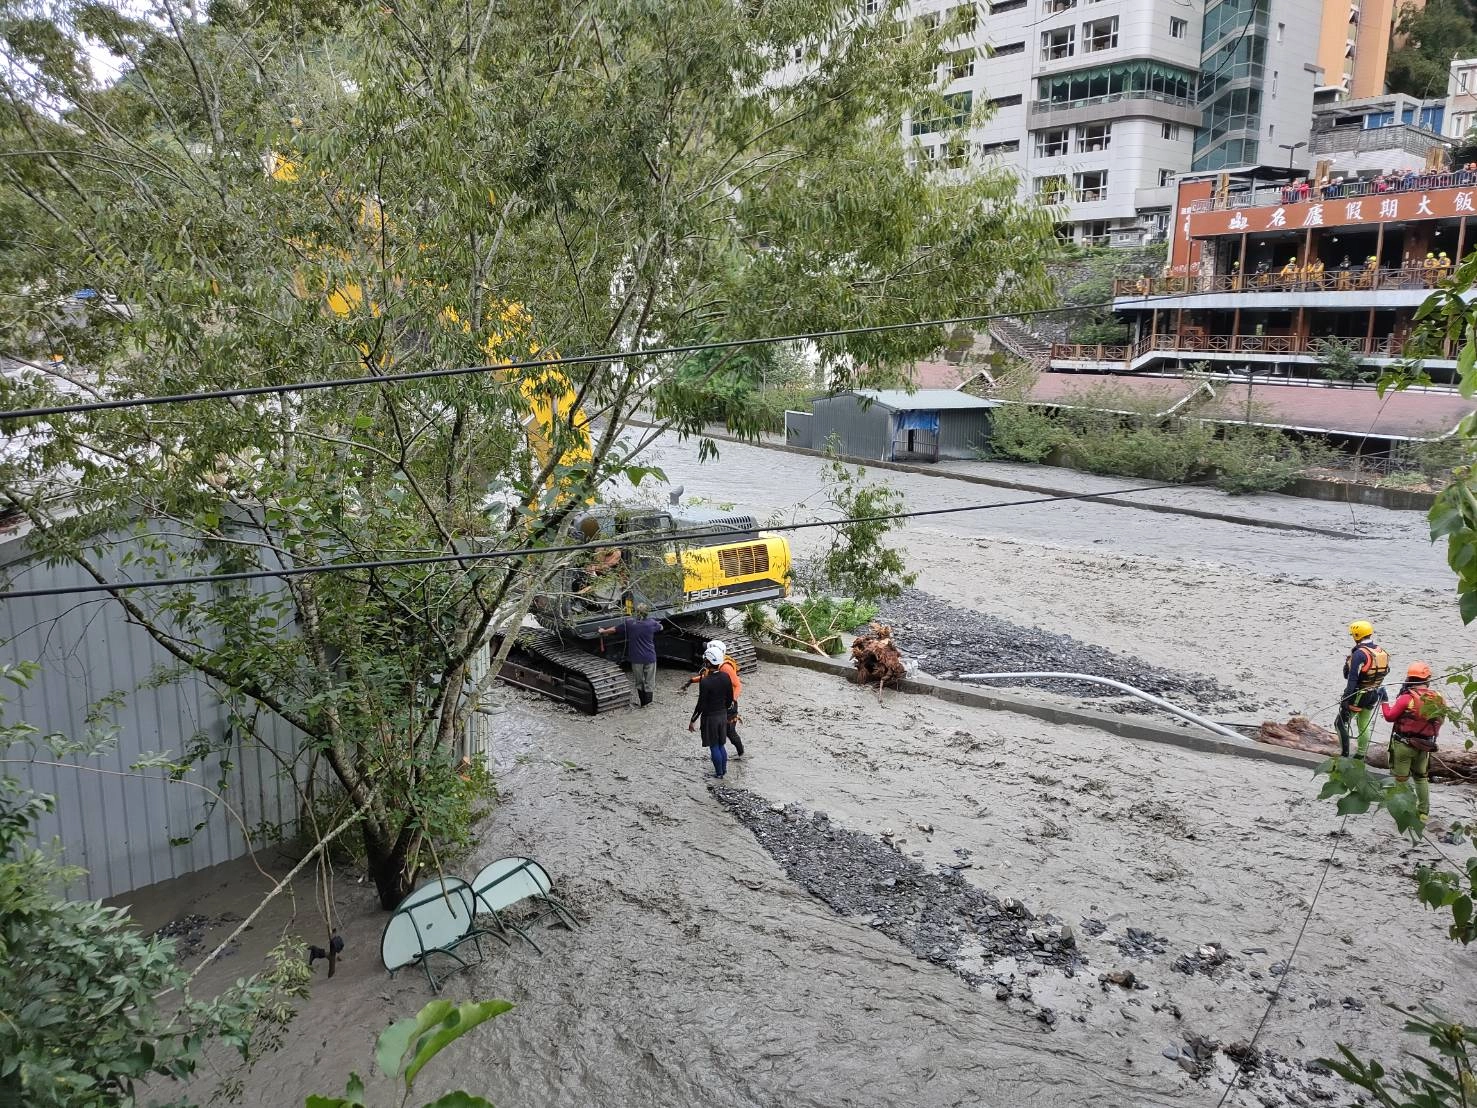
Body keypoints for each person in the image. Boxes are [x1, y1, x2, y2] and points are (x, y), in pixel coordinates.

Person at [1381, 661, 1446, 827]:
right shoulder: (1439, 698)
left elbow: (1389, 717)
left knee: (1401, 779)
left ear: (1410, 678)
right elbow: (1440, 720)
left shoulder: (1406, 698)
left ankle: (1404, 811)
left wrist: (1384, 701)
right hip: (1425, 746)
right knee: (1421, 778)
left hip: (1404, 745)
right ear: (1427, 679)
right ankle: (1423, 813)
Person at [1336, 620, 1390, 760]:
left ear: (1356, 635)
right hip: (1373, 693)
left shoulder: (1360, 654)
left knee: (1340, 723)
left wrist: (1346, 699)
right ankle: (1360, 755)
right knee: (1364, 724)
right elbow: (1385, 671)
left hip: (1359, 695)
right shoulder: (1381, 651)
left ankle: (1344, 755)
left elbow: (1352, 678)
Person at [681, 639, 744, 756]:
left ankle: (741, 754)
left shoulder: (725, 667)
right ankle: (723, 755)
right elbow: (708, 678)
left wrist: (732, 702)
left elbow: (738, 685)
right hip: (721, 703)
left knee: (730, 732)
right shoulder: (715, 664)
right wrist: (691, 681)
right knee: (722, 733)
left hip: (727, 704)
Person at [597, 604, 663, 707]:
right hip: (650, 658)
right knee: (649, 683)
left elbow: (614, 630)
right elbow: (660, 627)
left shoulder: (630, 623)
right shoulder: (652, 623)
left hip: (636, 659)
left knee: (639, 682)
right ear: (647, 613)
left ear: (636, 613)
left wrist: (603, 631)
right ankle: (648, 705)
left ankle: (642, 703)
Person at [689, 645, 734, 779]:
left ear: (708, 662)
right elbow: (730, 698)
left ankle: (719, 774)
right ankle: (724, 770)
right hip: (722, 715)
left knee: (714, 746)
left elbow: (701, 704)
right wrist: (724, 711)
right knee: (721, 745)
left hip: (710, 718)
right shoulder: (726, 676)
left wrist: (692, 721)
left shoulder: (706, 681)